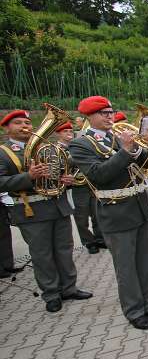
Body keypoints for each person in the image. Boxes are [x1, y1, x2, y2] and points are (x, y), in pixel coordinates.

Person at [69, 96, 148, 329]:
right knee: (126, 267)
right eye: (102, 112)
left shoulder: (119, 136)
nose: (109, 116)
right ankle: (134, 310)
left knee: (145, 262)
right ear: (89, 116)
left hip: (140, 207)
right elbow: (98, 175)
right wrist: (125, 150)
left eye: (111, 111)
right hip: (116, 211)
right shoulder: (81, 143)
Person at [0, 110, 91, 312]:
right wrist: (28, 177)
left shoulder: (45, 148)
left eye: (27, 122)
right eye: (17, 123)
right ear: (6, 128)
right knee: (43, 255)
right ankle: (51, 294)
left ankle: (69, 288)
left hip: (57, 206)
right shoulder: (3, 152)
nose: (25, 125)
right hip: (31, 210)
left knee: (64, 251)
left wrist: (67, 180)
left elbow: (61, 171)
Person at [57, 121, 106, 254]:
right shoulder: (57, 149)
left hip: (91, 183)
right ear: (58, 134)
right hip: (77, 188)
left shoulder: (81, 144)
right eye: (65, 131)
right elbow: (60, 167)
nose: (69, 133)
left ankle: (101, 238)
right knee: (81, 217)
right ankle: (89, 242)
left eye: (70, 131)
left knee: (97, 214)